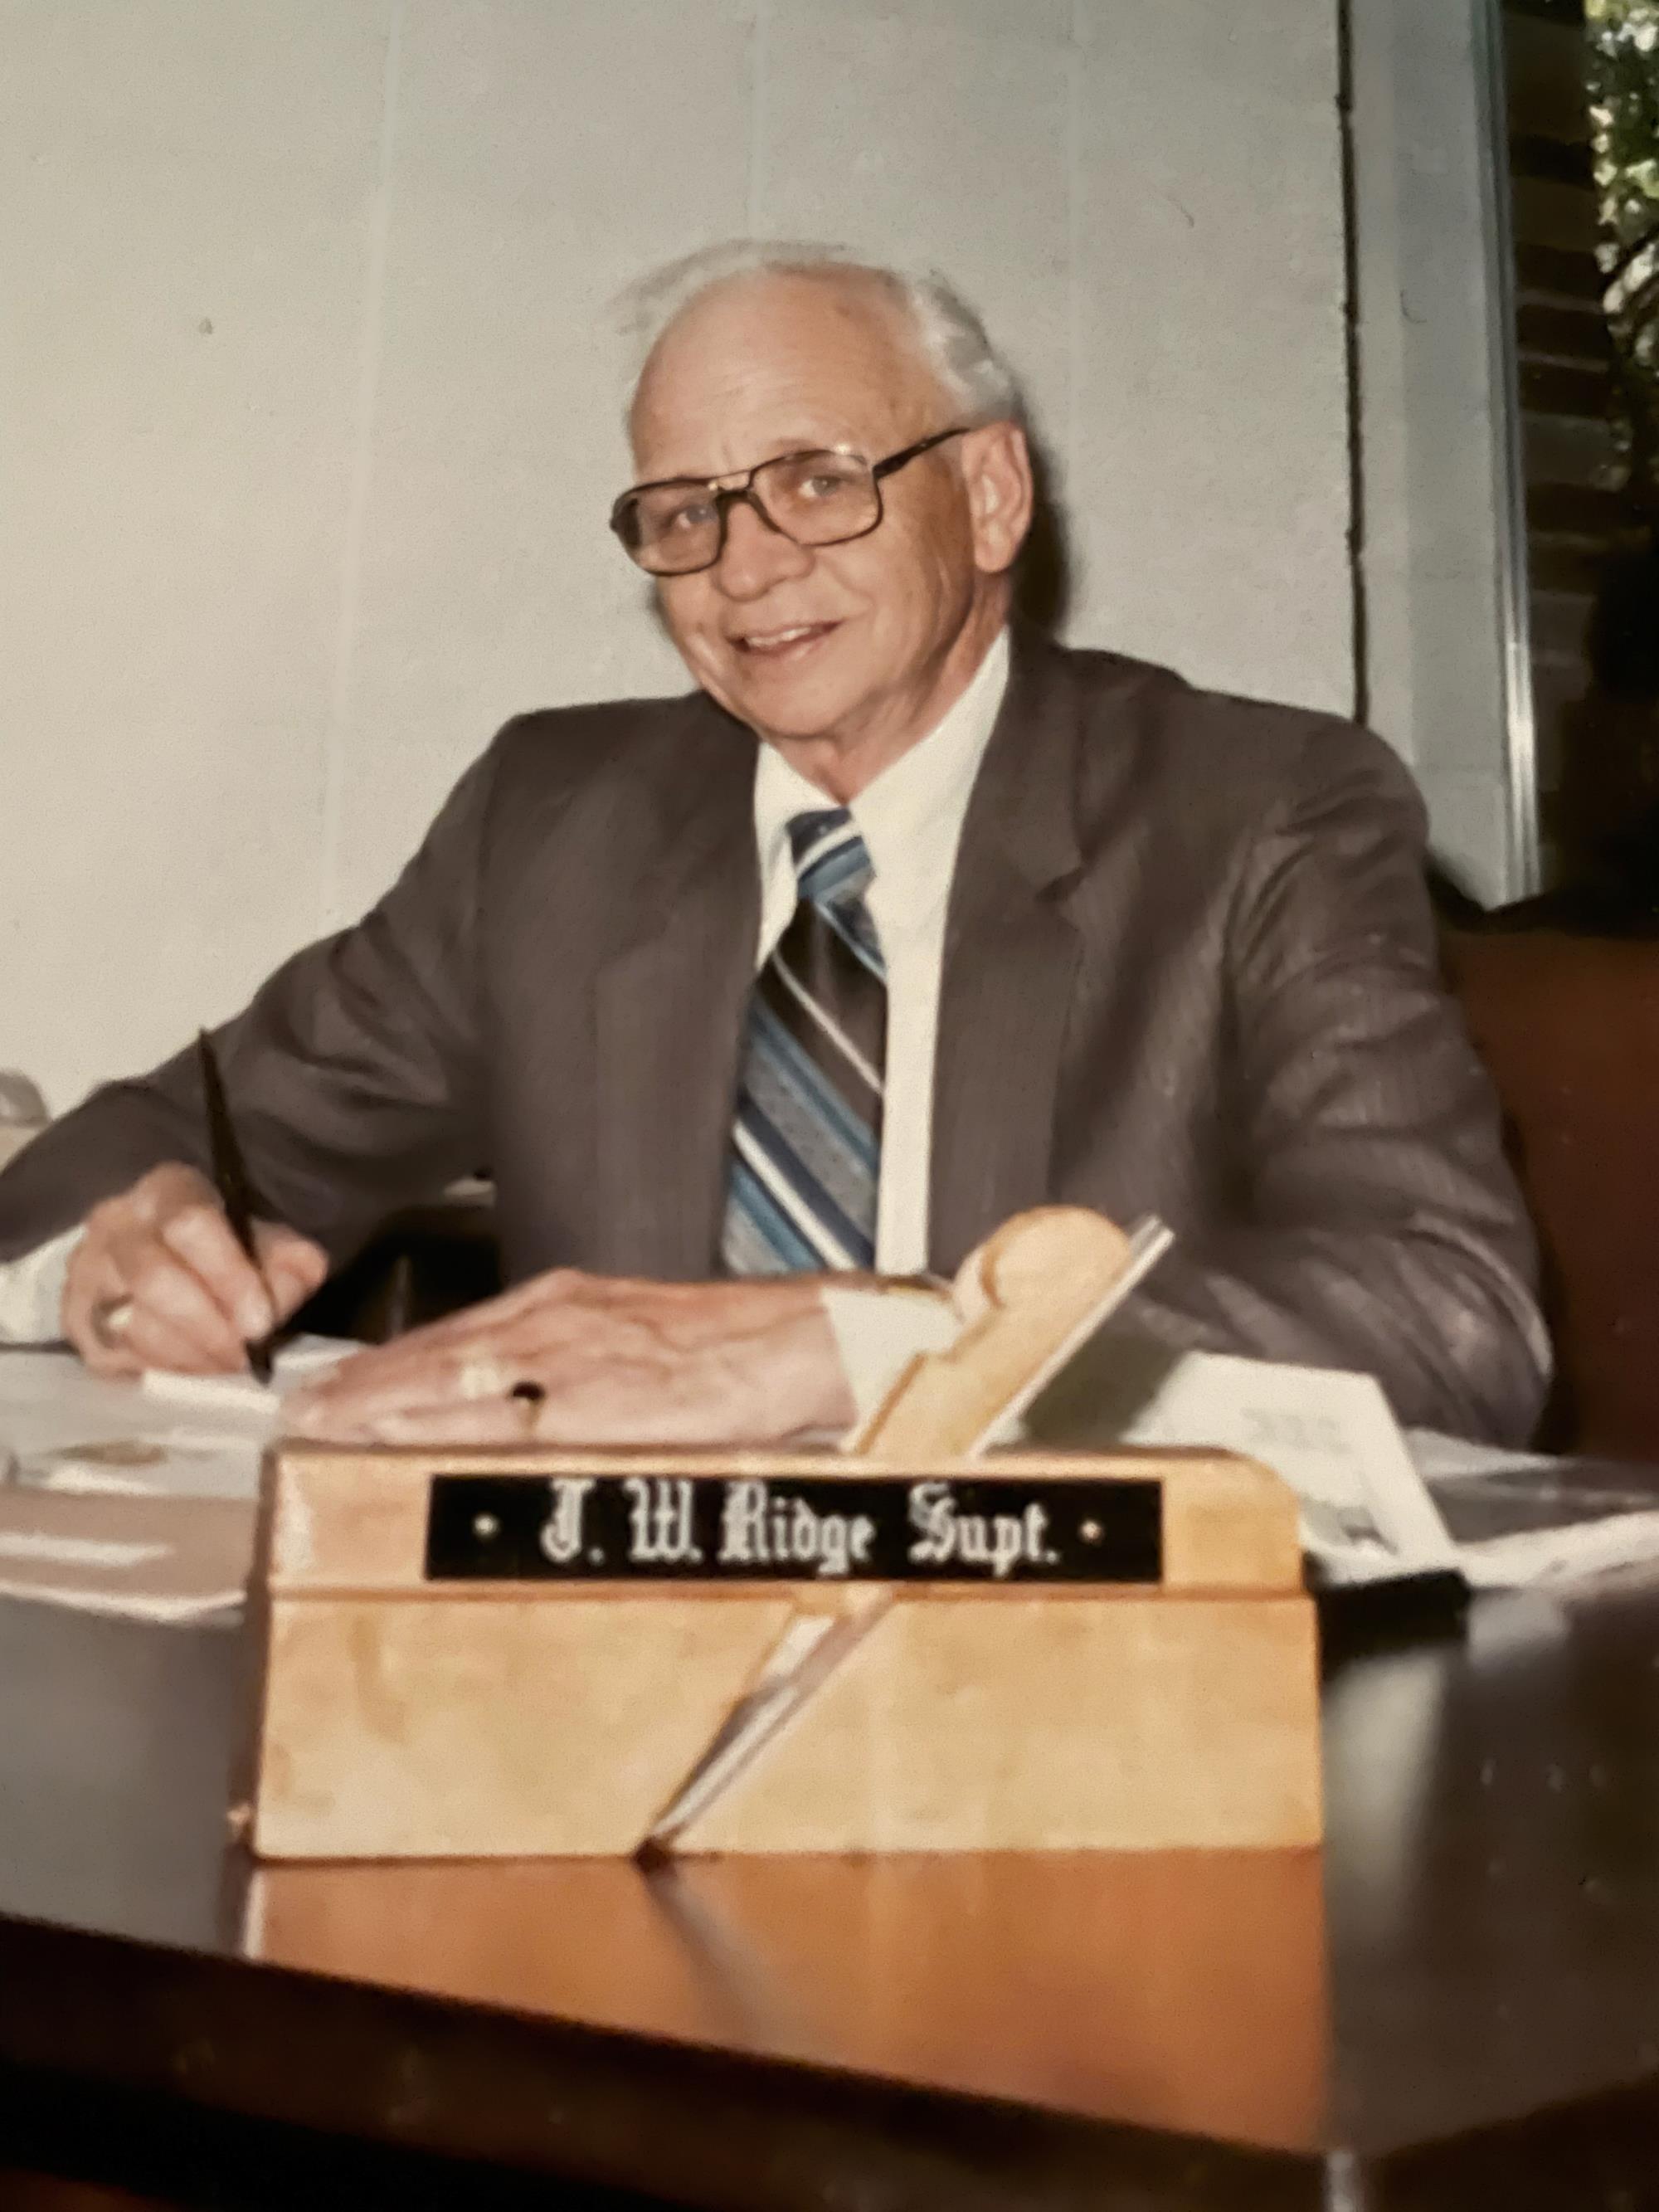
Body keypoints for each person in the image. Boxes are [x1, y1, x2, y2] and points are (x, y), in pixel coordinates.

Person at [0, 241, 1550, 1447]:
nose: (746, 569)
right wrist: (119, 1251)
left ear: (991, 492)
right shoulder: (553, 823)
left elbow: (1454, 1314)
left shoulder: (1261, 807)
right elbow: (172, 1135)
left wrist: (856, 1345)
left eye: (817, 481)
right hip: (604, 1670)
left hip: (1059, 1684)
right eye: (684, 513)